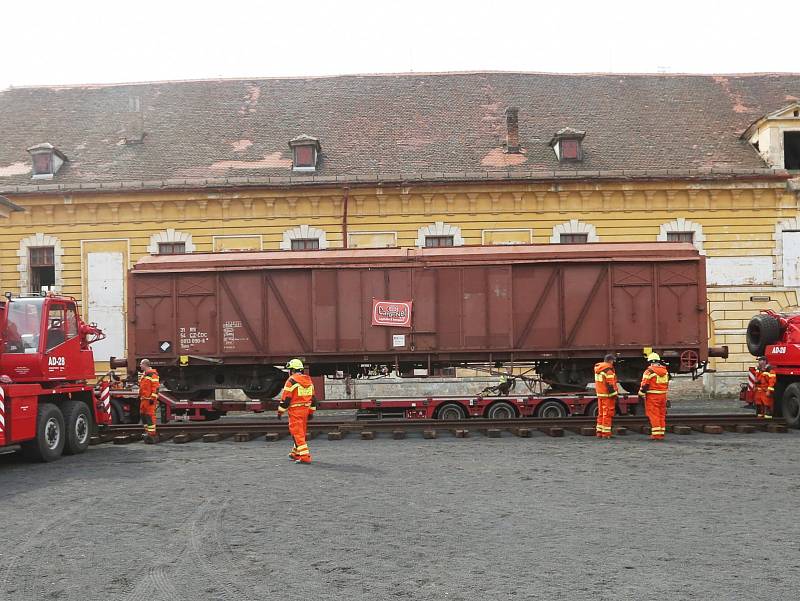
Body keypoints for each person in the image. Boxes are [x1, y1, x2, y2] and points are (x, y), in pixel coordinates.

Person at [277, 358, 317, 464]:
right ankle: (295, 453)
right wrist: (311, 412)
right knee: (301, 432)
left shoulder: (291, 381)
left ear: (292, 370)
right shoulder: (308, 380)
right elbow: (313, 399)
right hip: (305, 410)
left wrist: (280, 411)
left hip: (296, 411)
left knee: (297, 433)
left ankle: (304, 456)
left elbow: (286, 399)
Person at [638, 352, 670, 440]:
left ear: (650, 362)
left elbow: (644, 385)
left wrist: (641, 393)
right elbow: (666, 384)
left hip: (653, 396)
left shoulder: (649, 371)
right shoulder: (665, 371)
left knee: (653, 415)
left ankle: (656, 435)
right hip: (663, 395)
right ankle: (661, 433)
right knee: (661, 414)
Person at [594, 354, 619, 438]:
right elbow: (610, 385)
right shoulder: (608, 371)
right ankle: (606, 434)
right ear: (610, 361)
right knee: (607, 414)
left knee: (601, 414)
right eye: (613, 361)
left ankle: (599, 432)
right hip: (607, 396)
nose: (613, 363)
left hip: (600, 394)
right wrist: (614, 395)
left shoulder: (598, 368)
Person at [138, 358, 160, 443]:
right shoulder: (145, 375)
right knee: (143, 415)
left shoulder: (153, 375)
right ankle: (147, 432)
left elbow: (156, 388)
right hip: (143, 399)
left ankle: (151, 433)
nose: (140, 365)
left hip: (149, 400)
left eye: (141, 364)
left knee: (150, 416)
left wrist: (153, 398)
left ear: (145, 365)